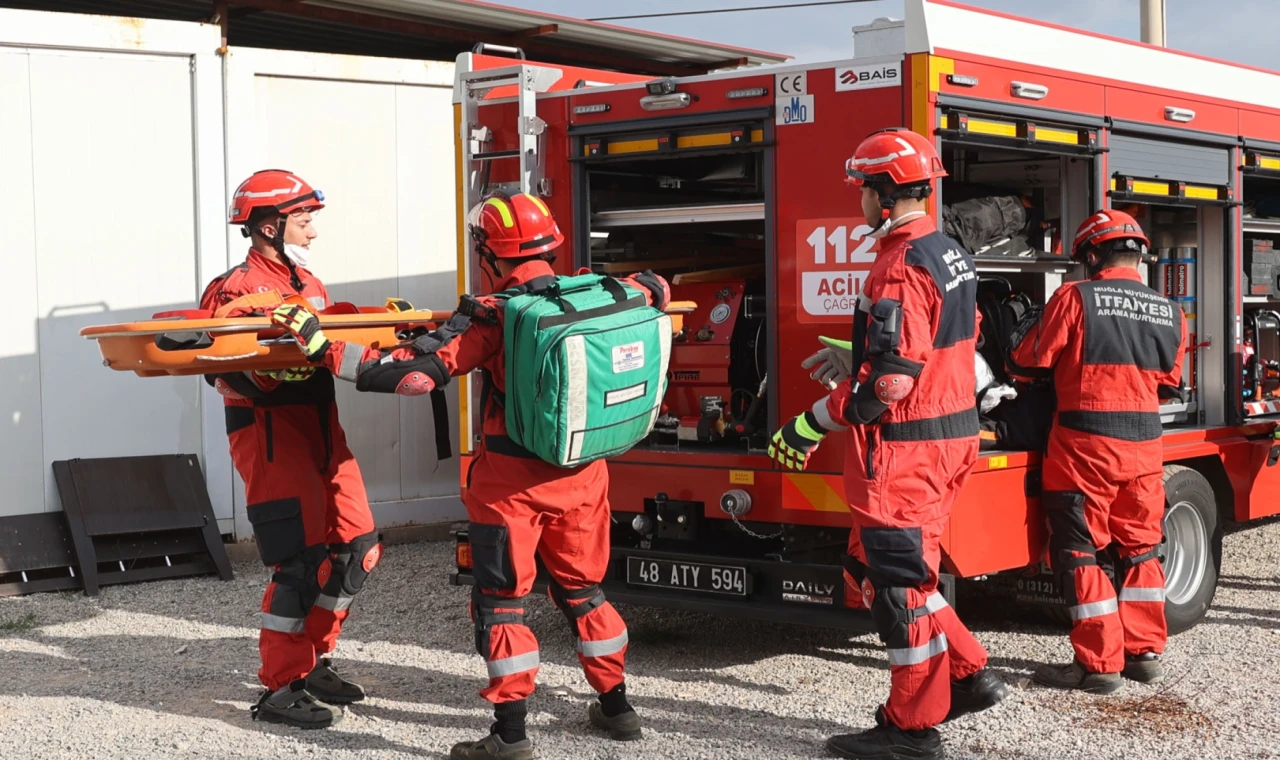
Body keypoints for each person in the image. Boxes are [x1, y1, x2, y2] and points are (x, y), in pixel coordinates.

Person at [270, 190, 672, 760]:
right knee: (584, 591)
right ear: (550, 245)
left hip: (510, 488)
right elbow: (658, 287)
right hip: (585, 476)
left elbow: (411, 379)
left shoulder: (494, 315)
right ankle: (617, 707)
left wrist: (320, 346)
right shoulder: (607, 290)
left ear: (489, 252)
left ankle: (510, 736)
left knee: (502, 603)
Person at [772, 128, 1007, 760]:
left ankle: (911, 728)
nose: (859, 203)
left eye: (863, 190)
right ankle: (968, 672)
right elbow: (936, 347)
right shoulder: (946, 251)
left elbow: (896, 380)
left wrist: (815, 419)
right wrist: (855, 355)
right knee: (885, 571)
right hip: (944, 440)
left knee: (900, 585)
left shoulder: (900, 264)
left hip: (904, 451)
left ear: (883, 193)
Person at [201, 170, 380, 729]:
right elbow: (222, 373)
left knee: (358, 548)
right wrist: (276, 363)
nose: (313, 232)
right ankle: (281, 687)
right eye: (304, 220)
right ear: (269, 225)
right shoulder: (232, 289)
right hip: (270, 435)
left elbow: (327, 345)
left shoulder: (310, 283)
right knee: (299, 563)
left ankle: (312, 659)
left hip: (324, 429)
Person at [1008, 209, 1187, 693]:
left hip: (1085, 448)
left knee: (1079, 551)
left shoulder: (1074, 297)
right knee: (1142, 548)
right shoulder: (1170, 311)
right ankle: (1144, 651)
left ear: (1092, 254)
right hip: (1146, 449)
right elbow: (1171, 382)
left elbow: (1030, 361)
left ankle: (1098, 663)